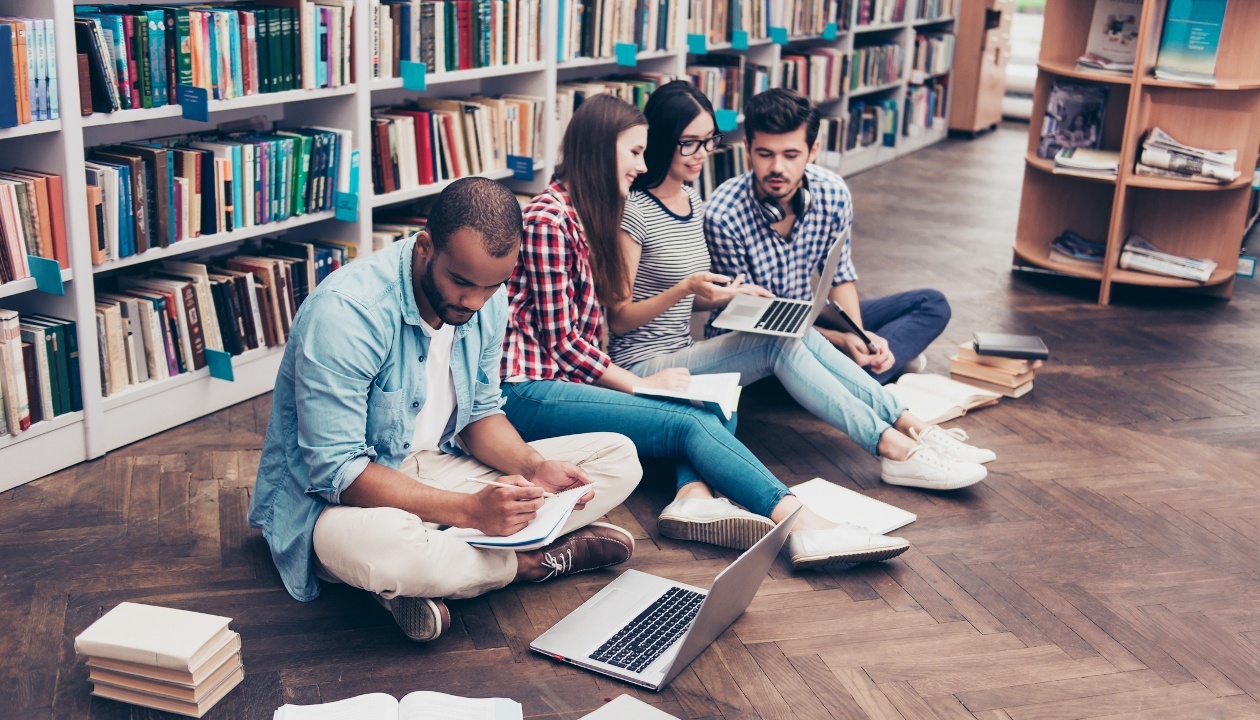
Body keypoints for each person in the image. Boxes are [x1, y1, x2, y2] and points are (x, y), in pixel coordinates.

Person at [500, 92, 910, 571]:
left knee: (714, 398)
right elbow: (565, 344)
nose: (641, 164)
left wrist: (718, 298)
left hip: (566, 380)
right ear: (600, 149)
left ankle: (696, 496)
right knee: (692, 418)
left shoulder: (579, 215)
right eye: (634, 152)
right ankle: (805, 525)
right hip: (530, 389)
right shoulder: (552, 220)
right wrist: (638, 383)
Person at [249, 178, 643, 643]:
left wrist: (535, 468)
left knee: (618, 457)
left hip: (439, 469)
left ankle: (431, 574)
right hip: (338, 501)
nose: (474, 301)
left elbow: (480, 415)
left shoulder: (485, 302)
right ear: (425, 247)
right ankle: (523, 563)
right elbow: (338, 472)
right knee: (387, 549)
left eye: (492, 286)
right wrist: (471, 512)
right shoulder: (347, 313)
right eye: (460, 282)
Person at [606, 81, 992, 491]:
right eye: (690, 143)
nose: (702, 153)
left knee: (799, 329)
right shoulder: (638, 210)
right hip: (643, 366)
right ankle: (893, 448)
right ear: (664, 140)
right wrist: (688, 290)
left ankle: (911, 426)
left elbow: (691, 305)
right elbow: (620, 318)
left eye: (708, 141)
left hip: (686, 351)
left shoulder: (692, 201)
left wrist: (719, 296)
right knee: (783, 339)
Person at [704, 88, 951, 385]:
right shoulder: (723, 214)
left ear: (813, 150)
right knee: (796, 362)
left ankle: (866, 369)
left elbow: (840, 277)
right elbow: (750, 317)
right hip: (756, 340)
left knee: (932, 303)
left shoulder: (832, 192)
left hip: (807, 316)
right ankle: (878, 371)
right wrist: (840, 342)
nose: (777, 168)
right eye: (765, 154)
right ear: (747, 148)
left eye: (791, 155)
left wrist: (858, 338)